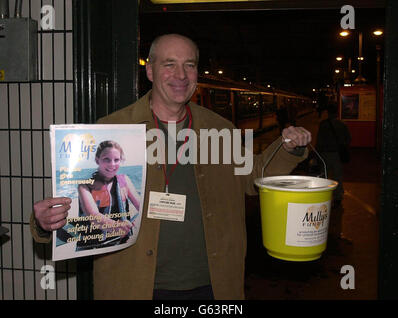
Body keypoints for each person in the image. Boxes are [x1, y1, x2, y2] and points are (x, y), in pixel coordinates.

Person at [31, 33, 312, 300]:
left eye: (189, 65)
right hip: (136, 287)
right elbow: (75, 206)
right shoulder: (112, 130)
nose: (180, 75)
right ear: (150, 71)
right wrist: (45, 224)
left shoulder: (219, 128)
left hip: (213, 286)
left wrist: (288, 149)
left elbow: (253, 178)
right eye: (169, 65)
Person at [75, 140, 140, 250]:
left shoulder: (125, 181)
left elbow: (141, 206)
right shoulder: (84, 186)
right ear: (97, 160)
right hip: (92, 248)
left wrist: (137, 221)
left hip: (122, 244)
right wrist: (116, 226)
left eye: (116, 160)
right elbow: (94, 217)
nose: (112, 164)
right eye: (107, 159)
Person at [315, 102, 351, 240]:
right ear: (336, 113)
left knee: (323, 176)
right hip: (336, 154)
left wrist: (317, 155)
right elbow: (348, 139)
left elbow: (318, 141)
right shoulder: (342, 125)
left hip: (324, 154)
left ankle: (322, 196)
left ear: (327, 113)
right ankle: (337, 197)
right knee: (337, 176)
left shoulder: (323, 124)